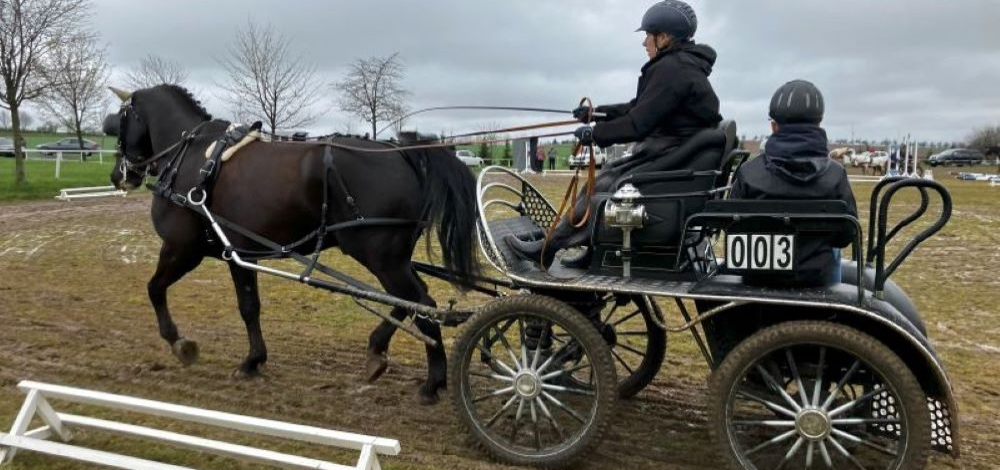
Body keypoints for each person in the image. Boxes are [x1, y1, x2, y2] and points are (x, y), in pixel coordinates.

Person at [506, 0, 722, 268]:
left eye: (648, 35)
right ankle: (594, 251)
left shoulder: (673, 69)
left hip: (671, 155)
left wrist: (594, 134)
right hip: (674, 153)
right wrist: (596, 115)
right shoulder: (681, 66)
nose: (645, 43)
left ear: (664, 37)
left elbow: (638, 124)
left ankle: (546, 250)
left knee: (604, 186)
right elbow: (640, 108)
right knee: (602, 181)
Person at [729, 80, 858, 287]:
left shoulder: (748, 172)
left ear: (774, 126)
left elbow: (733, 229)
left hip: (758, 279)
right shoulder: (836, 174)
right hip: (816, 278)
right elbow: (844, 236)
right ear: (818, 124)